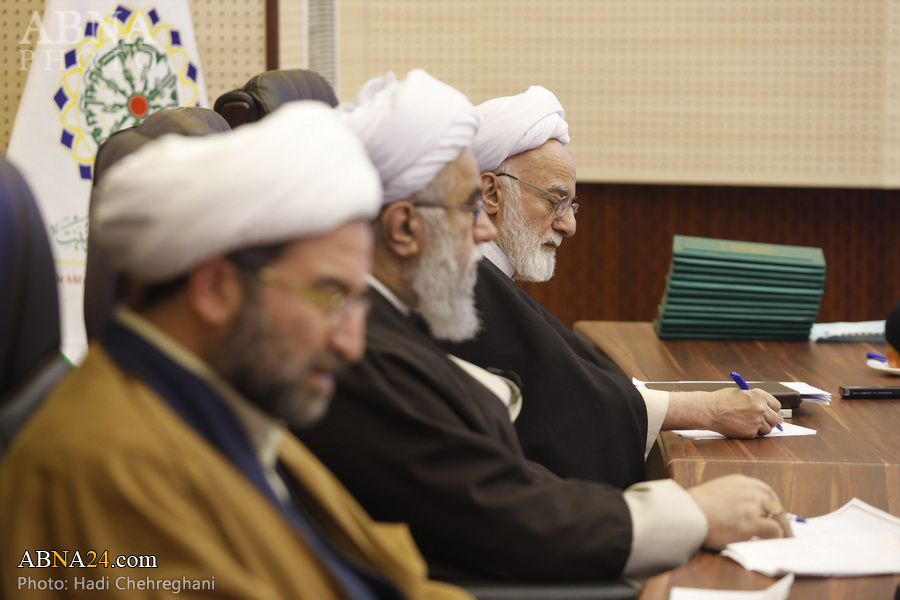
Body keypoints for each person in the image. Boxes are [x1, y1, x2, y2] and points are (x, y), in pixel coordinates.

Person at [299, 70, 791, 584]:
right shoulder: (355, 349)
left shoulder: (387, 321)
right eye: (469, 208)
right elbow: (494, 512)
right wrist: (692, 515)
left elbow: (499, 476)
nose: (484, 231)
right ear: (402, 227)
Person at [0, 102, 470, 600]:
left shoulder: (235, 402)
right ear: (215, 289)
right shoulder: (108, 471)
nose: (351, 346)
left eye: (356, 303)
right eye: (331, 299)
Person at [439, 86, 785, 488]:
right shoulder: (464, 285)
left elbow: (568, 383)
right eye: (554, 200)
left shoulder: (485, 278)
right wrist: (707, 410)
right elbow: (565, 406)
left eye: (571, 205)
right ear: (490, 193)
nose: (569, 225)